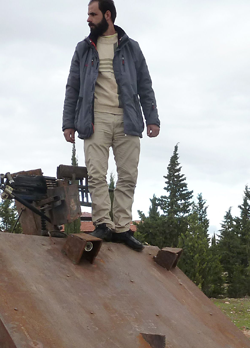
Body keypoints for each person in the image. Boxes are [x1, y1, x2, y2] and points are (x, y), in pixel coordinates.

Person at [62, 0, 160, 251]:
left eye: (93, 14)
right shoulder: (83, 48)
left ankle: (123, 228)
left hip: (128, 118)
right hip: (94, 118)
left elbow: (145, 85)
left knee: (128, 176)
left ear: (108, 15)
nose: (88, 19)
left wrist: (152, 118)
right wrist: (68, 123)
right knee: (97, 175)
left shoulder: (131, 47)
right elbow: (72, 87)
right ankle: (103, 224)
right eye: (88, 14)